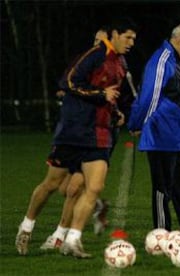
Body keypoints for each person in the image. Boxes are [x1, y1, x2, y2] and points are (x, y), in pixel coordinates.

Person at [36, 18, 136, 258]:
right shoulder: (90, 59)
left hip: (99, 133)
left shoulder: (120, 64)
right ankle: (87, 216)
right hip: (77, 131)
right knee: (65, 189)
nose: (97, 45)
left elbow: (123, 97)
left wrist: (121, 113)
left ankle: (63, 237)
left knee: (77, 187)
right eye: (95, 41)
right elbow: (69, 83)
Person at [128, 22, 180, 238]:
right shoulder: (162, 60)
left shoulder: (176, 61)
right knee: (163, 190)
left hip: (176, 138)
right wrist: (136, 123)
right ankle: (161, 236)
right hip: (161, 137)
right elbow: (149, 98)